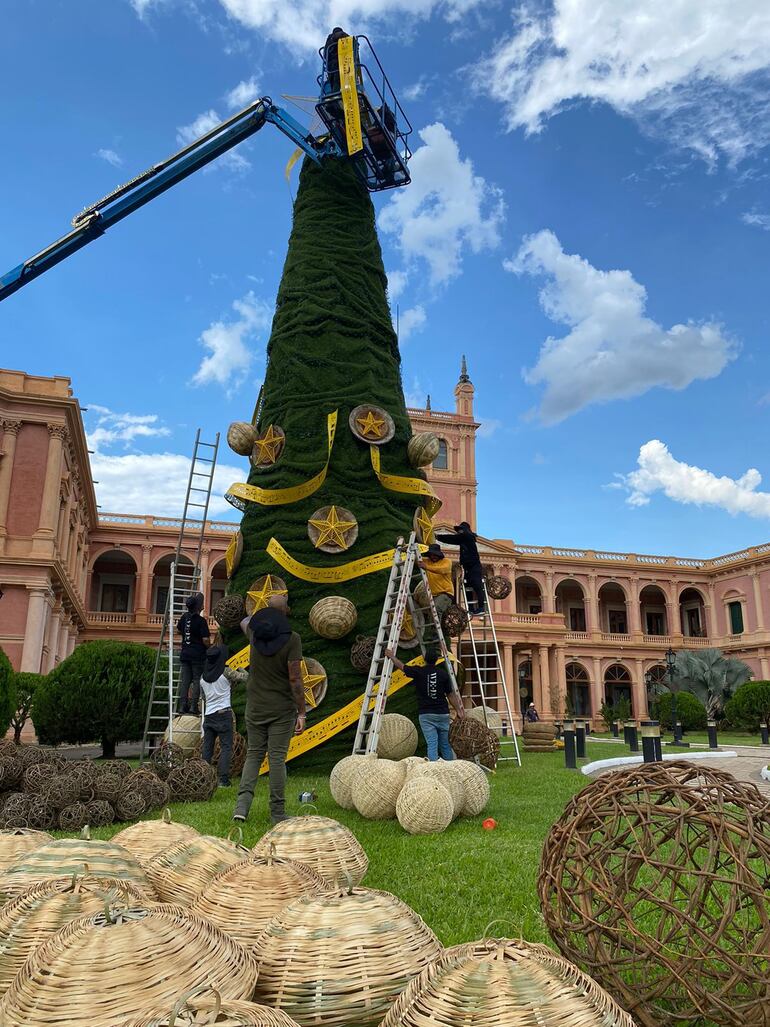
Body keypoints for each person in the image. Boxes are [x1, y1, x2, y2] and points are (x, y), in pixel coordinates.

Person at [233, 595, 306, 824]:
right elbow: (295, 679)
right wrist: (302, 712)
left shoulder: (254, 635)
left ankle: (241, 808)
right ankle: (277, 813)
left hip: (255, 707)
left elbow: (246, 621)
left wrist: (261, 617)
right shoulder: (292, 639)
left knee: (253, 755)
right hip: (281, 710)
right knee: (276, 759)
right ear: (285, 612)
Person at [385, 646, 464, 761]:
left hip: (426, 715)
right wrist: (459, 710)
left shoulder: (418, 672)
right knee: (445, 744)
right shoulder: (443, 674)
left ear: (425, 660)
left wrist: (392, 656)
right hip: (442, 714)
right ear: (437, 660)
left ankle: (432, 771)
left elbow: (402, 667)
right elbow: (451, 695)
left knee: (432, 744)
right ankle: (450, 770)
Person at [199, 641, 239, 788]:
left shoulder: (203, 678)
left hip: (209, 716)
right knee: (226, 747)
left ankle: (203, 778)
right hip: (223, 715)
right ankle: (223, 779)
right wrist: (242, 669)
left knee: (207, 749)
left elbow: (203, 697)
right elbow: (245, 678)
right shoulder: (226, 672)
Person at [435, 522, 486, 617]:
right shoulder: (463, 539)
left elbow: (452, 539)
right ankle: (471, 609)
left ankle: (481, 607)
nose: (459, 532)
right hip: (467, 568)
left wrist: (438, 537)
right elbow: (453, 540)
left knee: (477, 585)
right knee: (467, 587)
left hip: (474, 567)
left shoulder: (467, 537)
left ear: (465, 530)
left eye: (460, 530)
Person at [177, 592, 210, 715]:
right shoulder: (201, 621)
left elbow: (179, 630)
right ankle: (193, 707)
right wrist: (210, 647)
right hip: (197, 655)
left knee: (185, 680)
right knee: (197, 679)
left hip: (185, 653)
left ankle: (182, 706)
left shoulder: (184, 617)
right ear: (198, 607)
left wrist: (188, 635)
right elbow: (205, 640)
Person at [416, 542, 454, 640]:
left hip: (445, 593)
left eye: (435, 555)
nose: (433, 557)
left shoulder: (447, 562)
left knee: (436, 609)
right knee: (430, 614)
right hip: (433, 595)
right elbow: (415, 557)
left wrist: (426, 567)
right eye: (431, 555)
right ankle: (433, 635)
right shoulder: (427, 561)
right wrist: (405, 549)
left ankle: (436, 635)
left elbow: (442, 570)